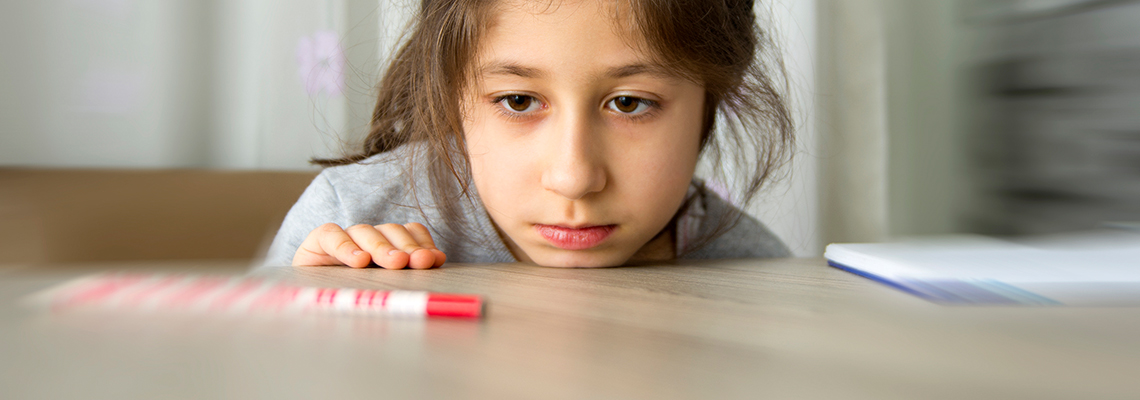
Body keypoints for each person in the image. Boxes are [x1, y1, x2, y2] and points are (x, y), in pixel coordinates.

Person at [264, 0, 794, 269]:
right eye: (518, 101)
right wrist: (312, 327)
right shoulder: (351, 220)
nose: (574, 178)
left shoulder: (748, 265)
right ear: (451, 94)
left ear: (714, 98)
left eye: (630, 104)